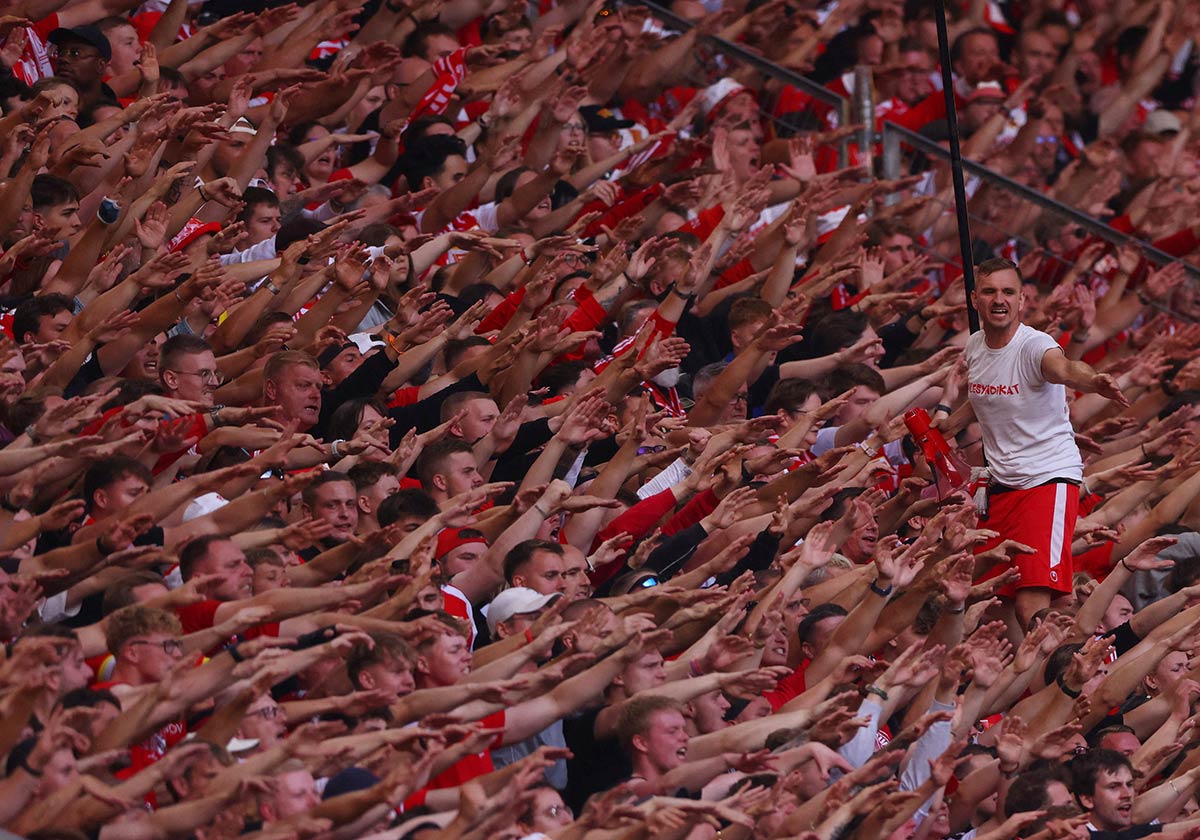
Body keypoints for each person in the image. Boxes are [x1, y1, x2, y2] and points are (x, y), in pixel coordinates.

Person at [958, 257, 1128, 628]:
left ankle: (1075, 670)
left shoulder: (1036, 345)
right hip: (1002, 485)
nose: (999, 299)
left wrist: (1093, 380)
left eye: (1008, 292)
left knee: (1030, 606)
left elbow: (1065, 369)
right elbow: (980, 402)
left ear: (1022, 301)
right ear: (974, 299)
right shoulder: (975, 346)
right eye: (989, 291)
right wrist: (941, 428)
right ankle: (1023, 684)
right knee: (993, 606)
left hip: (1046, 481)